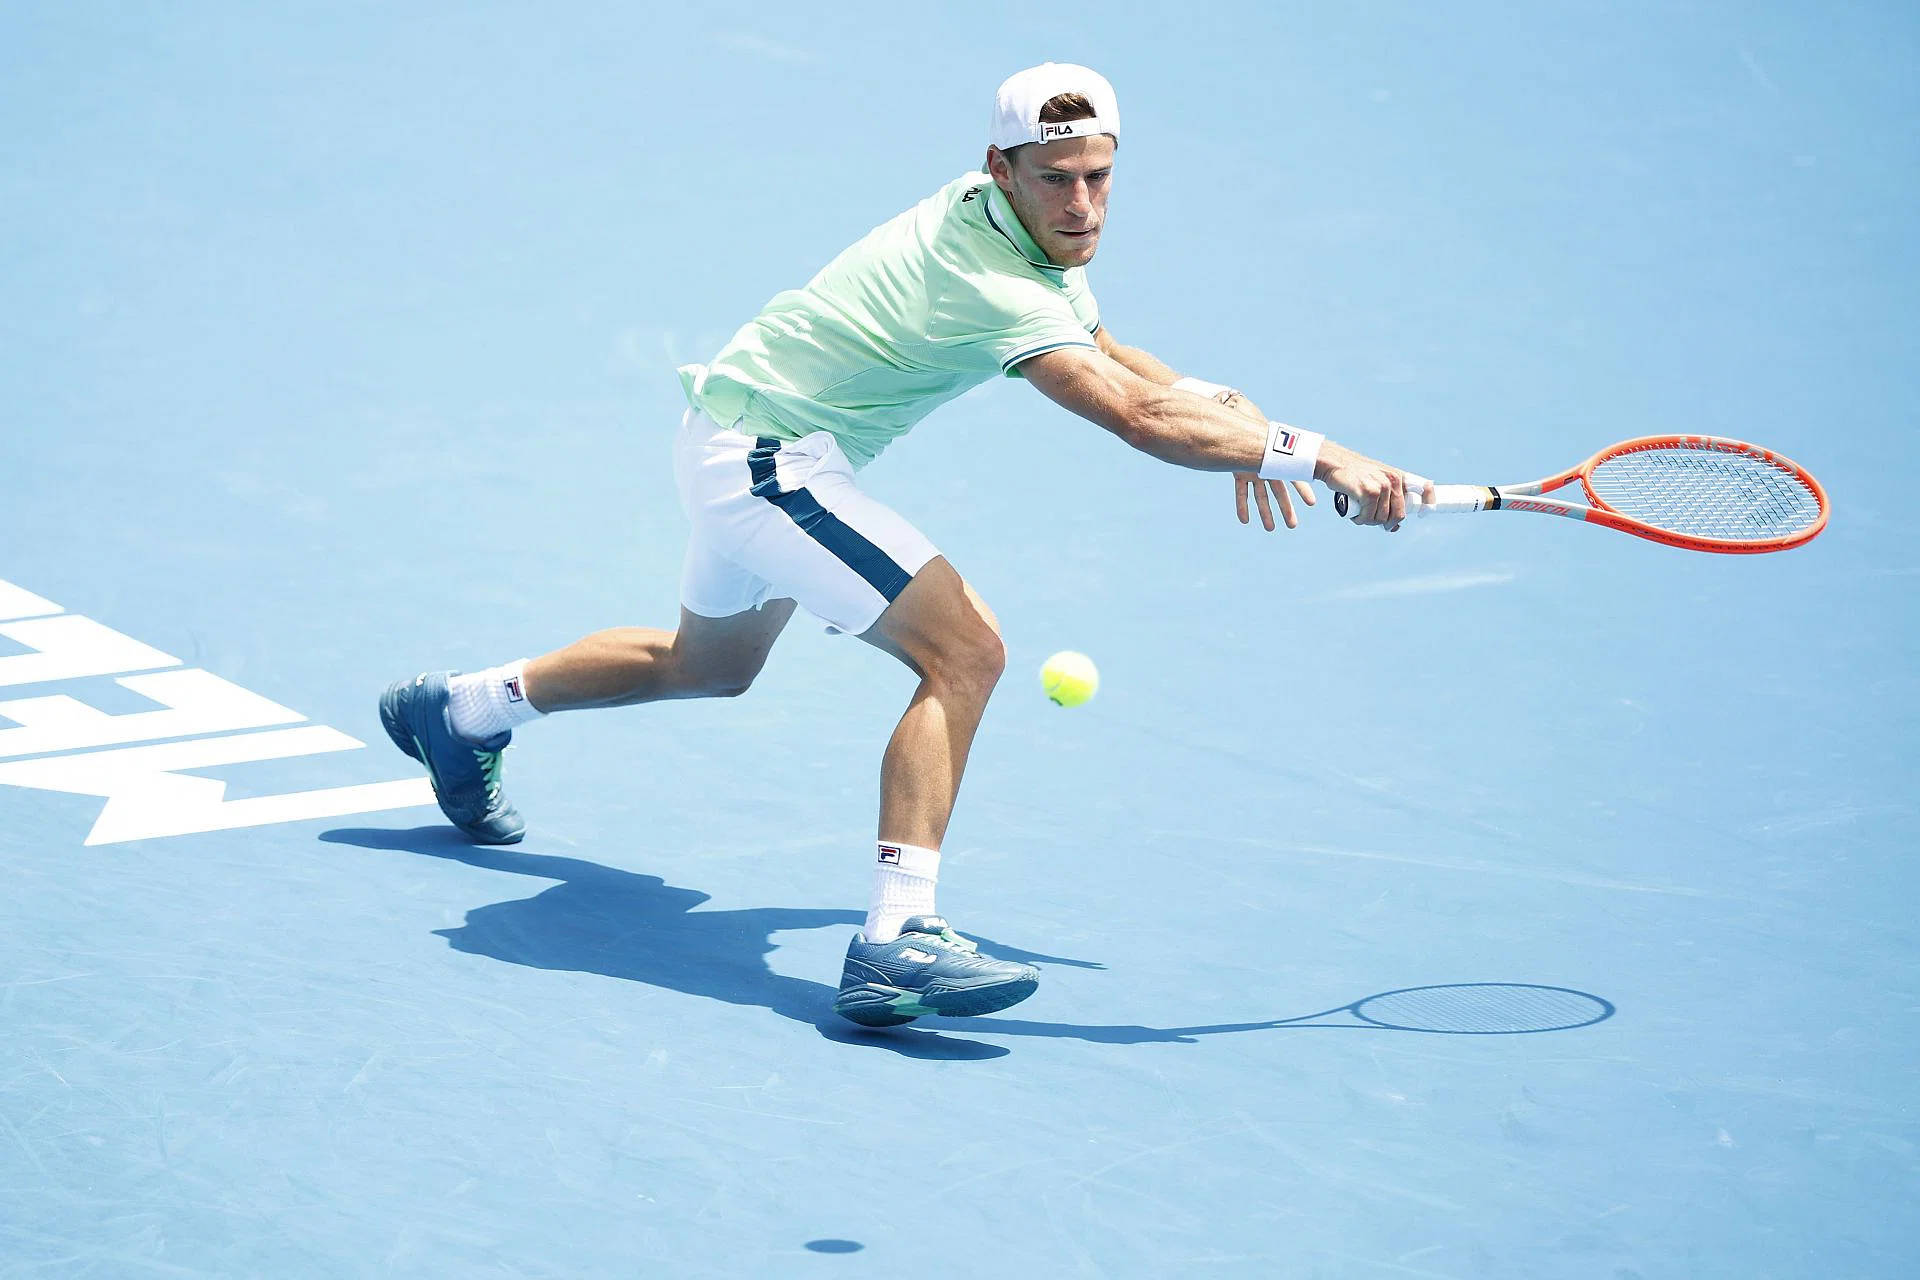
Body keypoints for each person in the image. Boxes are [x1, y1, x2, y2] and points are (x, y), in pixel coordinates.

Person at [380, 62, 1423, 1029]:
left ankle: (460, 708)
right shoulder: (991, 278)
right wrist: (1314, 455)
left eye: (1100, 179)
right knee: (964, 651)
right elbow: (1130, 416)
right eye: (1057, 180)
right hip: (769, 460)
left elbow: (1112, 355)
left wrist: (1226, 413)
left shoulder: (1013, 228)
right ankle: (895, 939)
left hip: (736, 436)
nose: (1082, 206)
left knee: (710, 666)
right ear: (1000, 170)